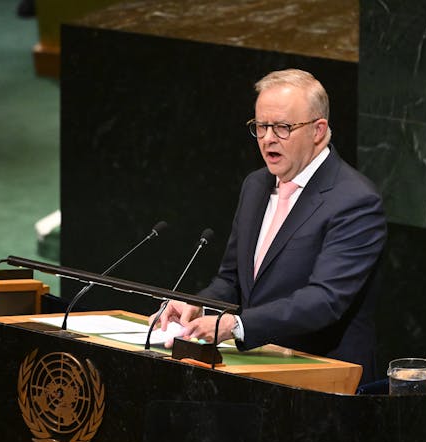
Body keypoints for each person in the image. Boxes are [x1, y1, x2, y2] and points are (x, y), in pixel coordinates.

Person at [155, 68, 386, 383]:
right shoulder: (256, 185)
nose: (267, 139)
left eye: (282, 127)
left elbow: (325, 300)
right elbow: (232, 281)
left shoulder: (355, 201)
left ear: (318, 130)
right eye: (261, 126)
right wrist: (199, 306)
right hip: (253, 373)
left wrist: (235, 325)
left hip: (323, 381)